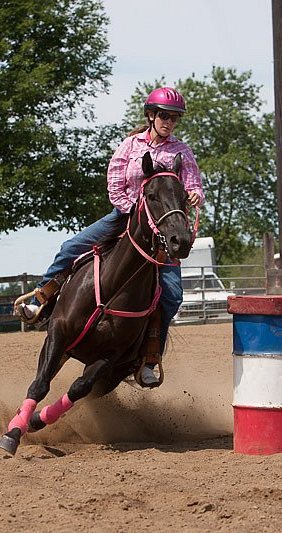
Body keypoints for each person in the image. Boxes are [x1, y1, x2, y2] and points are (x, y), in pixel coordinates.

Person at [15, 87, 205, 386]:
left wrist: (194, 194)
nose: (169, 122)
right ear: (151, 115)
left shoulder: (181, 151)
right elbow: (115, 181)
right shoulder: (130, 146)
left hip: (161, 227)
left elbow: (192, 183)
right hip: (127, 217)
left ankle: (149, 358)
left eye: (174, 118)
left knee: (171, 295)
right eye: (164, 116)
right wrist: (132, 211)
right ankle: (41, 298)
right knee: (72, 247)